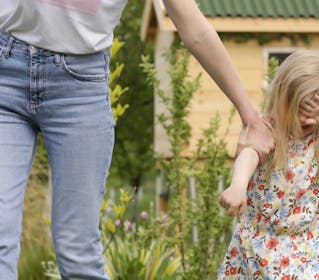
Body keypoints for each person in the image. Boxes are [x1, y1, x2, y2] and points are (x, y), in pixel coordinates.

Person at [0, 0, 274, 279]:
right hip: (5, 66)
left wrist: (249, 116)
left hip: (79, 87)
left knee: (77, 251)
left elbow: (194, 27)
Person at [218, 49, 319, 279]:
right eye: (298, 110)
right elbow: (249, 153)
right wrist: (238, 185)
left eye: (314, 112)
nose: (305, 120)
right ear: (282, 100)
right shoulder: (268, 130)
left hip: (300, 251)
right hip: (252, 244)